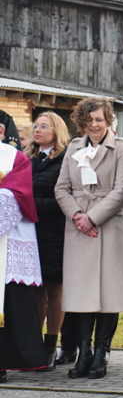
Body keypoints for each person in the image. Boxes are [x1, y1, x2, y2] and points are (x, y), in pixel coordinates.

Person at [54, 98, 123, 379]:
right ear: (81, 122)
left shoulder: (121, 147)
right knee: (82, 292)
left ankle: (102, 353)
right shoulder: (74, 148)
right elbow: (61, 188)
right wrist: (78, 216)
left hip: (109, 227)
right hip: (79, 230)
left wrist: (93, 217)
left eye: (99, 119)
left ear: (107, 119)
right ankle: (84, 352)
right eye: (89, 120)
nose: (94, 125)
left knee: (108, 292)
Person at [26, 112, 71, 371]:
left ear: (57, 131)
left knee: (54, 288)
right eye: (35, 125)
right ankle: (33, 342)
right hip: (29, 232)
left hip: (55, 231)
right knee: (34, 288)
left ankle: (51, 344)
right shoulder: (27, 159)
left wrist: (32, 204)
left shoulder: (65, 160)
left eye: (44, 126)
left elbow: (65, 199)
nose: (38, 129)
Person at [0, 141, 45, 382]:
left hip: (10, 238)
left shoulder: (14, 157)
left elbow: (17, 193)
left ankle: (3, 364)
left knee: (11, 301)